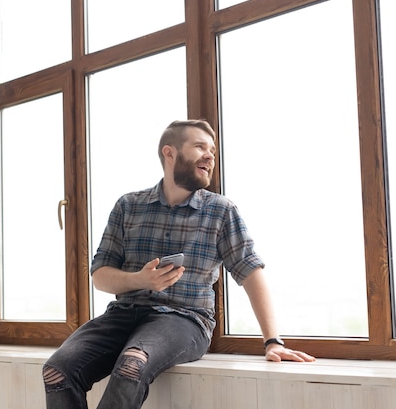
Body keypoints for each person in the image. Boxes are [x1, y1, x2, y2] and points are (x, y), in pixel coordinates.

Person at [42, 119, 315, 409]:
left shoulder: (221, 211)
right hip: (123, 315)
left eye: (212, 149)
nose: (210, 155)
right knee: (57, 371)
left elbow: (250, 272)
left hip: (185, 319)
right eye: (199, 147)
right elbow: (101, 276)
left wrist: (273, 341)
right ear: (169, 153)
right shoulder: (128, 206)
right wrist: (141, 280)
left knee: (132, 365)